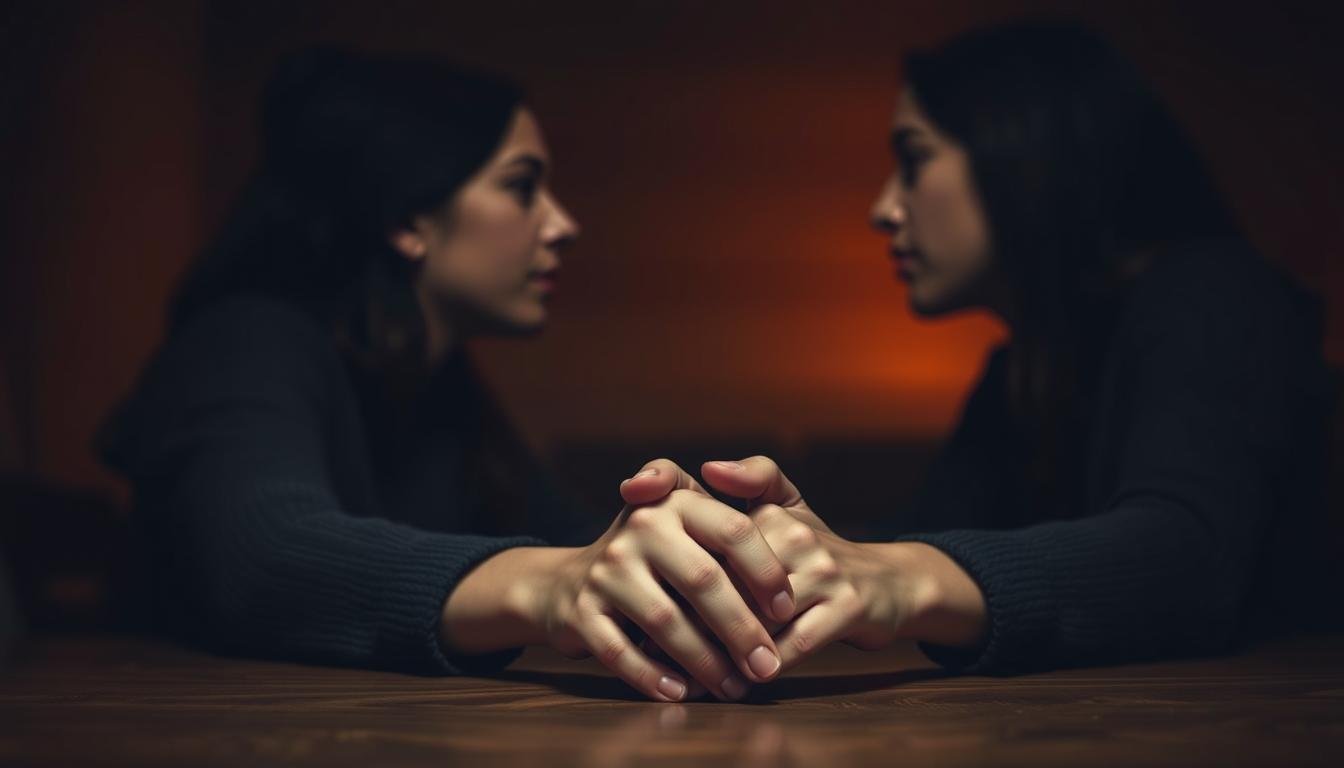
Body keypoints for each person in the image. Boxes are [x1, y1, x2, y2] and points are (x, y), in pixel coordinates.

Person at [623, 21, 1335, 675]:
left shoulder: (1217, 296)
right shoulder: (1024, 372)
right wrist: (733, 557)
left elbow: (1187, 557)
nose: (883, 210)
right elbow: (920, 533)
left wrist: (903, 579)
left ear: (1021, 153)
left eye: (914, 159)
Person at [98, 48, 800, 703]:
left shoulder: (440, 385)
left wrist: (710, 549)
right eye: (521, 186)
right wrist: (552, 586)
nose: (563, 224)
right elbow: (261, 552)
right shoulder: (245, 340)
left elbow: (575, 540)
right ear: (410, 218)